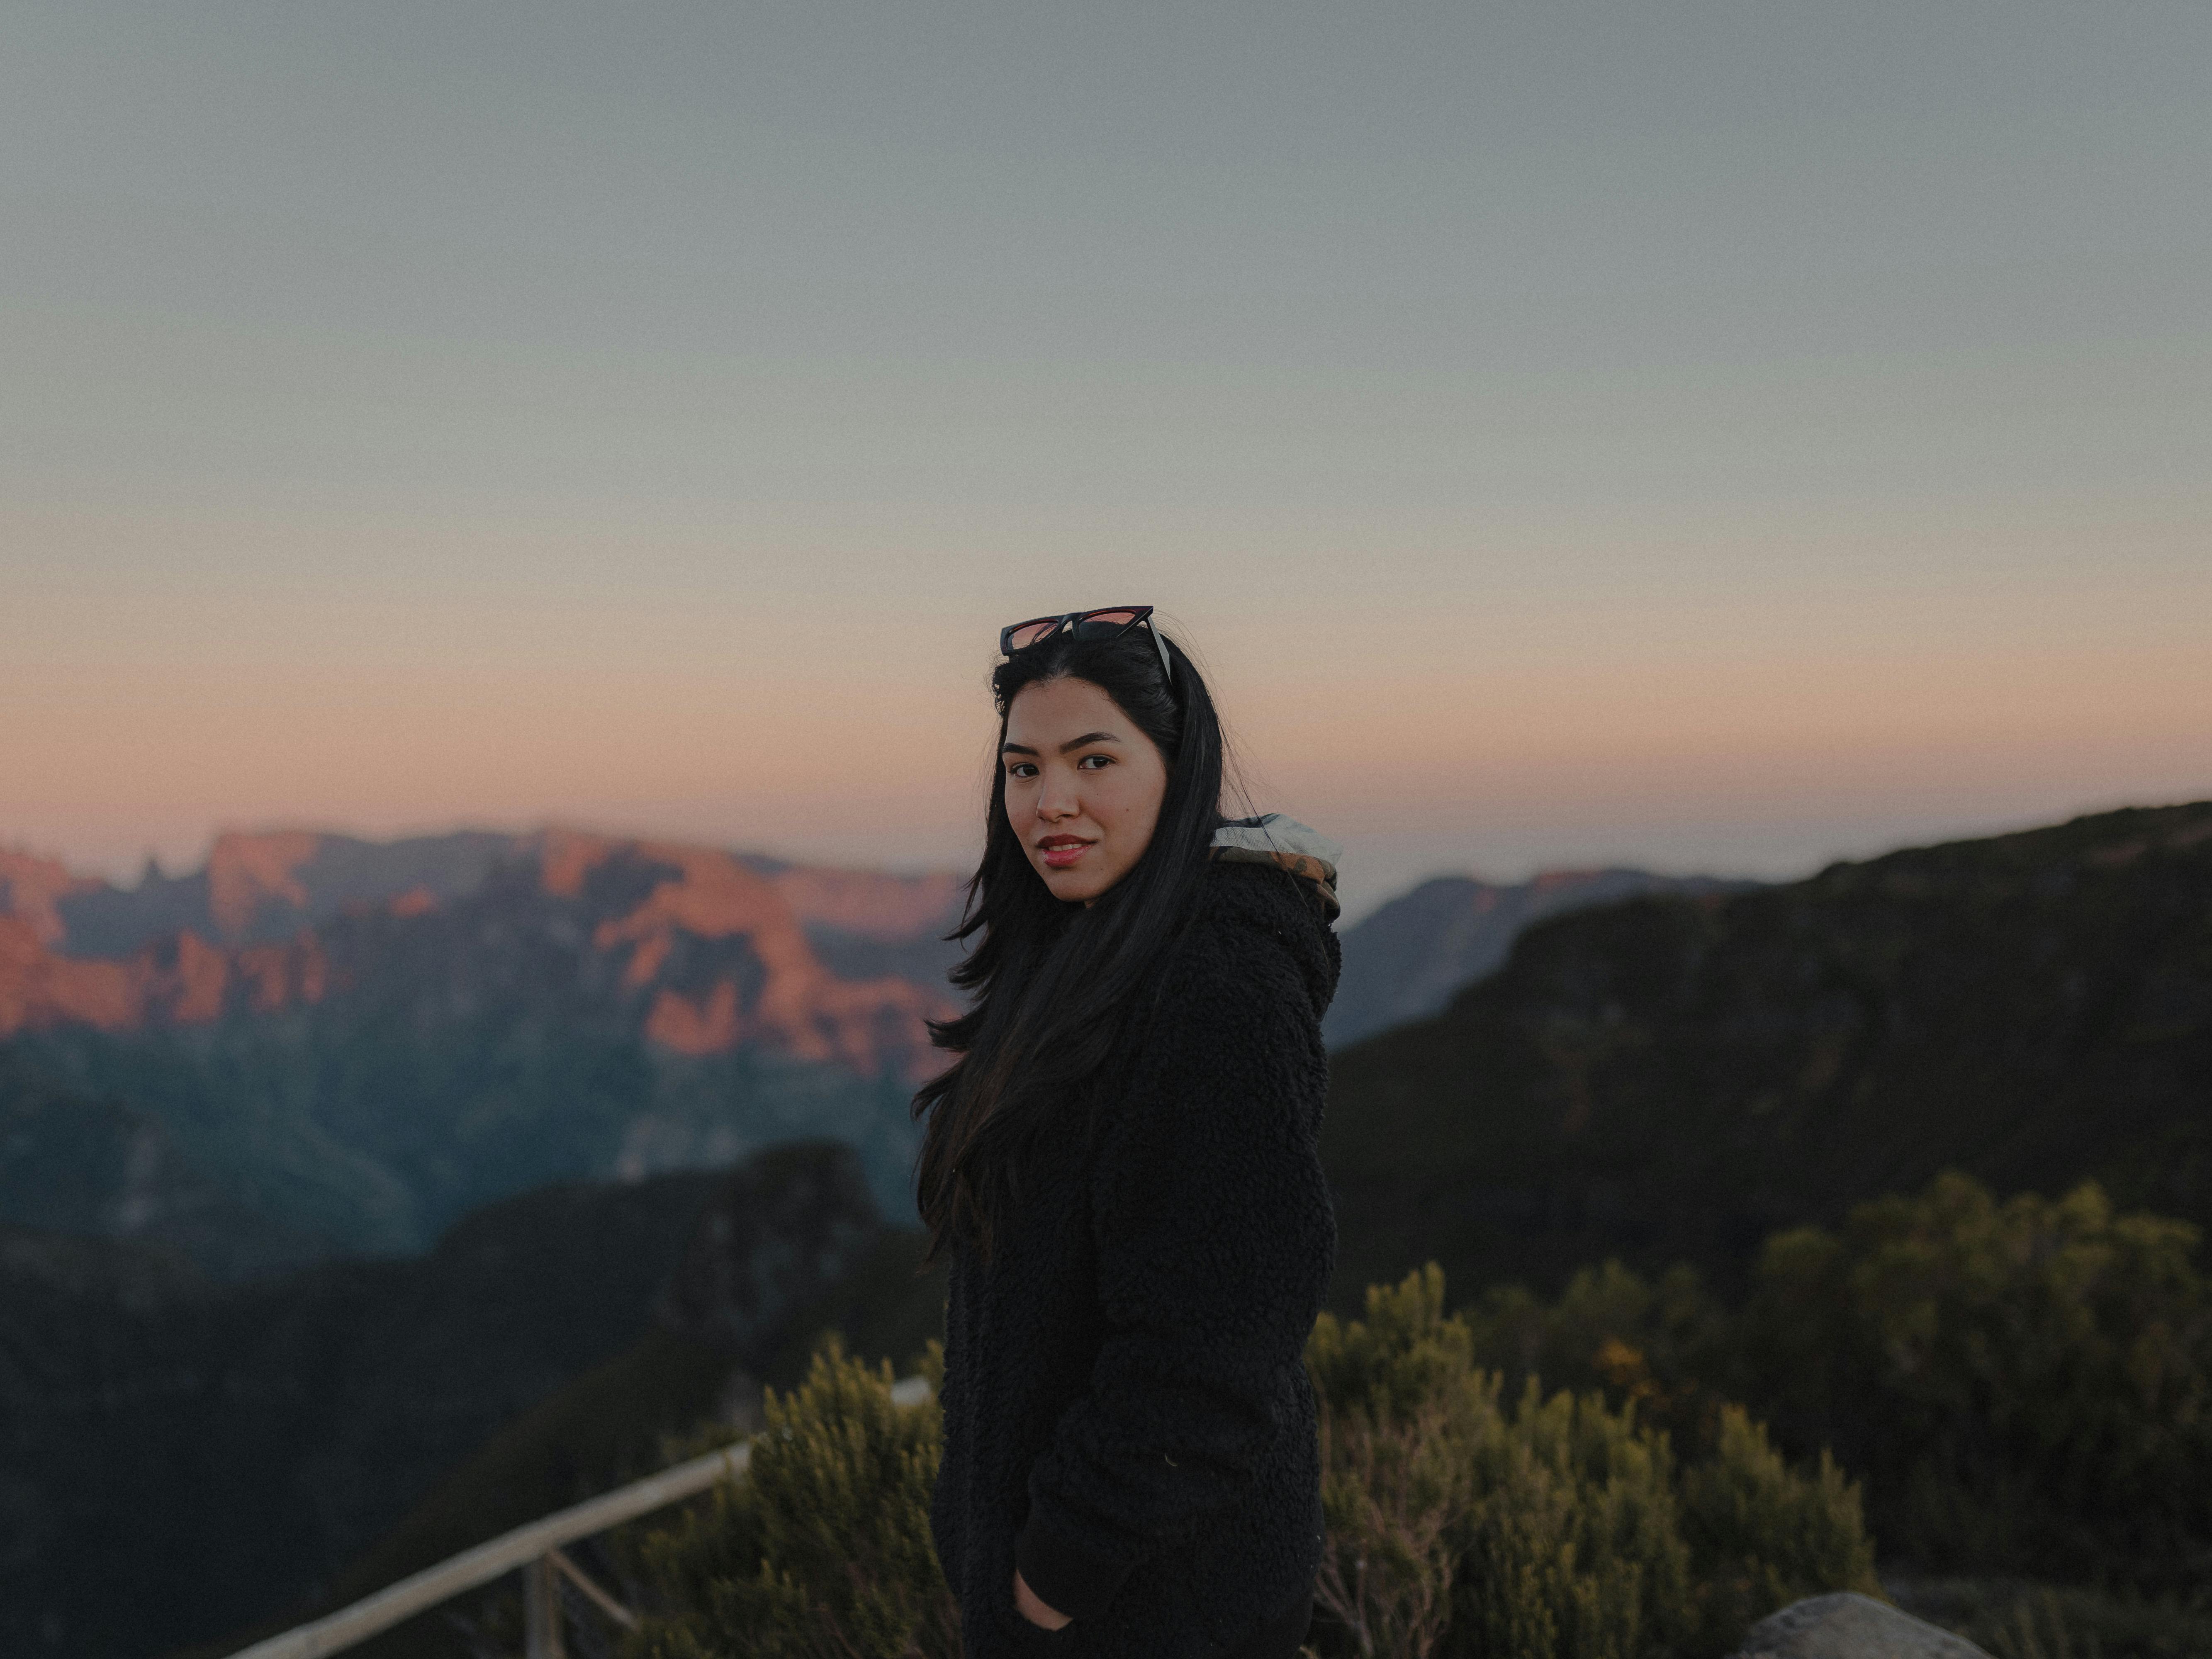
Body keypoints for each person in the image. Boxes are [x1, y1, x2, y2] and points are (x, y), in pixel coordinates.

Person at [914, 606, 1343, 1659]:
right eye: (1022, 769)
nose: (1049, 801)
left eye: (1092, 758)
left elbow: (1216, 1348)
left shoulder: (1216, 985)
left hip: (1156, 1609)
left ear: (1178, 766)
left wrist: (1053, 1575)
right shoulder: (1086, 955)